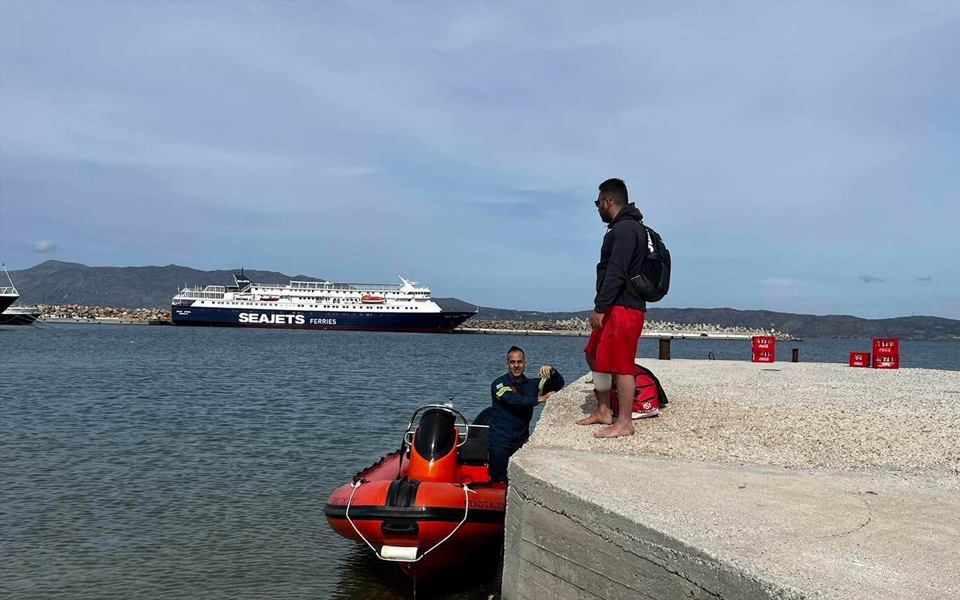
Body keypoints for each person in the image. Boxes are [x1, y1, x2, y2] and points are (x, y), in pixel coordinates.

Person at [577, 178, 649, 438]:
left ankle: (625, 423)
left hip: (624, 308)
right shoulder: (620, 228)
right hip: (615, 307)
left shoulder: (627, 230)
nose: (597, 208)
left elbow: (616, 272)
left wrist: (599, 307)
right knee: (593, 352)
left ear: (608, 201)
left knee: (622, 366)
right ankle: (604, 409)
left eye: (598, 203)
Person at [488, 346, 564, 483]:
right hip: (500, 442)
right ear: (507, 365)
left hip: (520, 442)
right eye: (512, 362)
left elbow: (557, 385)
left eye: (519, 362)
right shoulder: (499, 384)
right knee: (499, 479)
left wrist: (552, 371)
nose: (516, 366)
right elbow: (513, 400)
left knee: (518, 481)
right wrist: (540, 399)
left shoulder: (533, 384)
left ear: (525, 364)